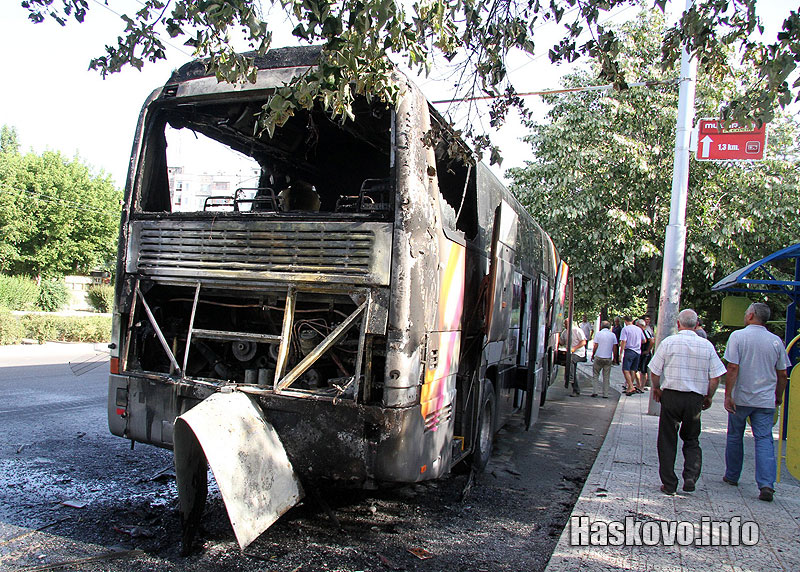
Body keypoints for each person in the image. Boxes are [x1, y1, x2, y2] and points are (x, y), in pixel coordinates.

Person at [648, 309, 726, 495]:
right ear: (697, 324)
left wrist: (657, 389)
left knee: (667, 439)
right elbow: (716, 377)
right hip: (694, 399)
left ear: (678, 324)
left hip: (672, 396)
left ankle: (669, 483)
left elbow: (655, 371)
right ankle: (690, 476)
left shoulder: (669, 342)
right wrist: (709, 396)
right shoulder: (706, 346)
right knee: (691, 438)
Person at [722, 303, 789, 502]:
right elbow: (783, 373)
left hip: (741, 397)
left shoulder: (738, 337)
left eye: (745, 313)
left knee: (735, 435)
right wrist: (778, 396)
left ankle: (732, 475)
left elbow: (733, 367)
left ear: (751, 315)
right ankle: (766, 484)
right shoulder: (776, 341)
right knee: (764, 440)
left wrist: (728, 394)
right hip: (765, 400)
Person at [618, 316, 645, 396]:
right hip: (637, 351)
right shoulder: (638, 329)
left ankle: (630, 386)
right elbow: (644, 340)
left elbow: (623, 341)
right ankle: (630, 387)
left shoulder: (625, 329)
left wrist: (620, 353)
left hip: (629, 351)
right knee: (633, 370)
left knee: (625, 370)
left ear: (625, 321)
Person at [591, 321, 615, 398]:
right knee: (606, 376)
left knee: (595, 374)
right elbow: (615, 347)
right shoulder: (612, 335)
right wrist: (615, 357)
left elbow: (596, 345)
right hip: (608, 357)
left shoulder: (598, 334)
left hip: (599, 356)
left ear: (601, 326)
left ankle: (595, 391)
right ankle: (605, 394)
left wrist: (593, 354)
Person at [562, 322, 587, 397]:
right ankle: (571, 380)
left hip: (579, 353)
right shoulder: (565, 332)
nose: (565, 325)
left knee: (571, 360)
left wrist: (574, 348)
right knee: (568, 361)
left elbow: (583, 341)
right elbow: (562, 341)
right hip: (569, 353)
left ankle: (570, 377)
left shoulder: (577, 330)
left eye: (566, 324)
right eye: (564, 324)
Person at [637, 318, 654, 391]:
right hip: (642, 353)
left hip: (645, 354)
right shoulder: (642, 332)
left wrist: (647, 350)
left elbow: (651, 341)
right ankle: (639, 385)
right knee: (640, 370)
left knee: (643, 371)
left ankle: (642, 387)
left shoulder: (645, 332)